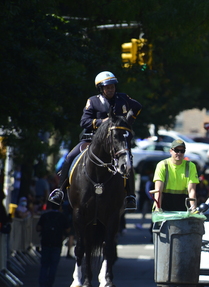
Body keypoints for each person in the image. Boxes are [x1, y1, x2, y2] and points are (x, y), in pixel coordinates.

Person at [48, 71, 142, 210]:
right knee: (70, 157)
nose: (110, 89)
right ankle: (60, 191)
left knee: (128, 161)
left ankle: (130, 196)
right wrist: (102, 122)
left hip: (115, 141)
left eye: (112, 87)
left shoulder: (123, 98)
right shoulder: (93, 101)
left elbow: (137, 107)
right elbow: (84, 121)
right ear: (101, 88)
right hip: (93, 139)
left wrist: (128, 122)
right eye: (107, 87)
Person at [152, 140, 199, 212]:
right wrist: (158, 208)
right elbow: (158, 190)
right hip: (164, 204)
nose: (179, 153)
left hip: (182, 206)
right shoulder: (162, 165)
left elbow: (191, 190)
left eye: (182, 151)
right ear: (170, 151)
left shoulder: (190, 166)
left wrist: (193, 209)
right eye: (176, 150)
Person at [37, 202, 69, 287]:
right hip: (57, 243)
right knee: (53, 266)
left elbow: (38, 228)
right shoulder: (62, 217)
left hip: (45, 242)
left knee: (44, 265)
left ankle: (42, 284)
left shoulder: (45, 215)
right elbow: (67, 229)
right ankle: (49, 284)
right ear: (60, 208)